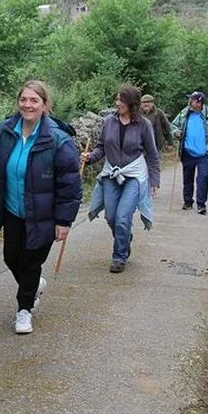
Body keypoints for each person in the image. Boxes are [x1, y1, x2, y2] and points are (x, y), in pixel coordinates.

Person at [0, 80, 82, 335]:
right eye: (23, 100)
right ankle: (33, 287)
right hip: (13, 210)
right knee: (11, 257)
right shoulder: (3, 132)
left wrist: (64, 221)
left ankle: (24, 309)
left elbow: (70, 184)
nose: (27, 105)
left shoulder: (57, 140)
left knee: (30, 262)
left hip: (43, 215)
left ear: (44, 105)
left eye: (34, 100)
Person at [82, 85, 161, 273]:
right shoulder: (109, 122)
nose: (117, 103)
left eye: (121, 100)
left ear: (132, 103)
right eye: (117, 99)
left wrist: (154, 180)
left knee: (123, 217)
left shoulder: (144, 125)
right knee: (111, 216)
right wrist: (90, 157)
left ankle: (119, 256)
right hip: (111, 174)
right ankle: (124, 239)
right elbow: (101, 147)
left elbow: (152, 154)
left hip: (134, 175)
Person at [170, 91, 208, 215]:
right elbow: (173, 125)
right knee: (187, 178)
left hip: (204, 155)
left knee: (203, 178)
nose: (189, 102)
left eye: (192, 100)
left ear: (199, 103)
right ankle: (188, 201)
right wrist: (176, 132)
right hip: (187, 152)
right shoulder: (184, 113)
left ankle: (201, 204)